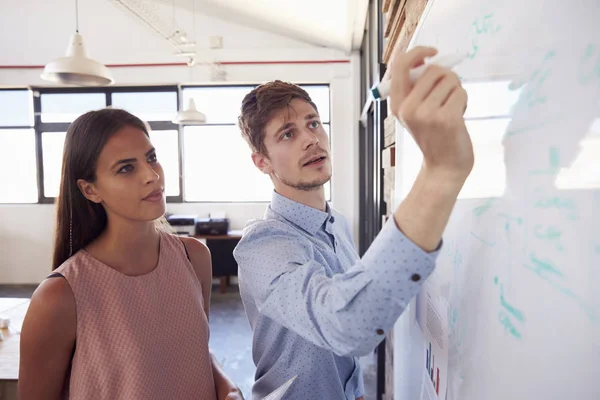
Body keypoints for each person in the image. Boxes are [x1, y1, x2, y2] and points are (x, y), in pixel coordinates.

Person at [232, 46, 474, 399]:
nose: (311, 138)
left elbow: (344, 329)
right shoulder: (262, 245)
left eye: (313, 123)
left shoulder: (339, 226)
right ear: (262, 162)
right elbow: (346, 325)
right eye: (287, 133)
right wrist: (440, 171)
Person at [18, 108, 243, 400]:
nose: (152, 175)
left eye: (151, 158)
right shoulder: (60, 295)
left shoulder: (194, 257)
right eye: (126, 168)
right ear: (89, 190)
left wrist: (227, 386)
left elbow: (196, 349)